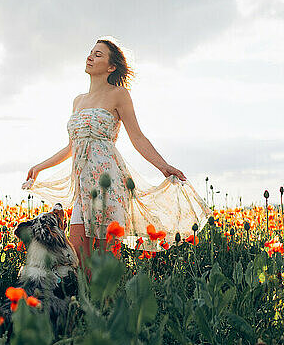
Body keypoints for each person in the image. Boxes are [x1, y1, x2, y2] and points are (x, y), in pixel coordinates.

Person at [23, 37, 212, 267]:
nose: (90, 56)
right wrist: (39, 167)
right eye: (91, 52)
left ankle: (108, 304)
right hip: (83, 189)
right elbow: (72, 146)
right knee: (78, 259)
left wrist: (163, 166)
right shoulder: (78, 101)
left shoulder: (119, 94)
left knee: (104, 264)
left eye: (98, 54)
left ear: (111, 67)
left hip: (108, 184)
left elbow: (138, 137)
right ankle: (84, 303)